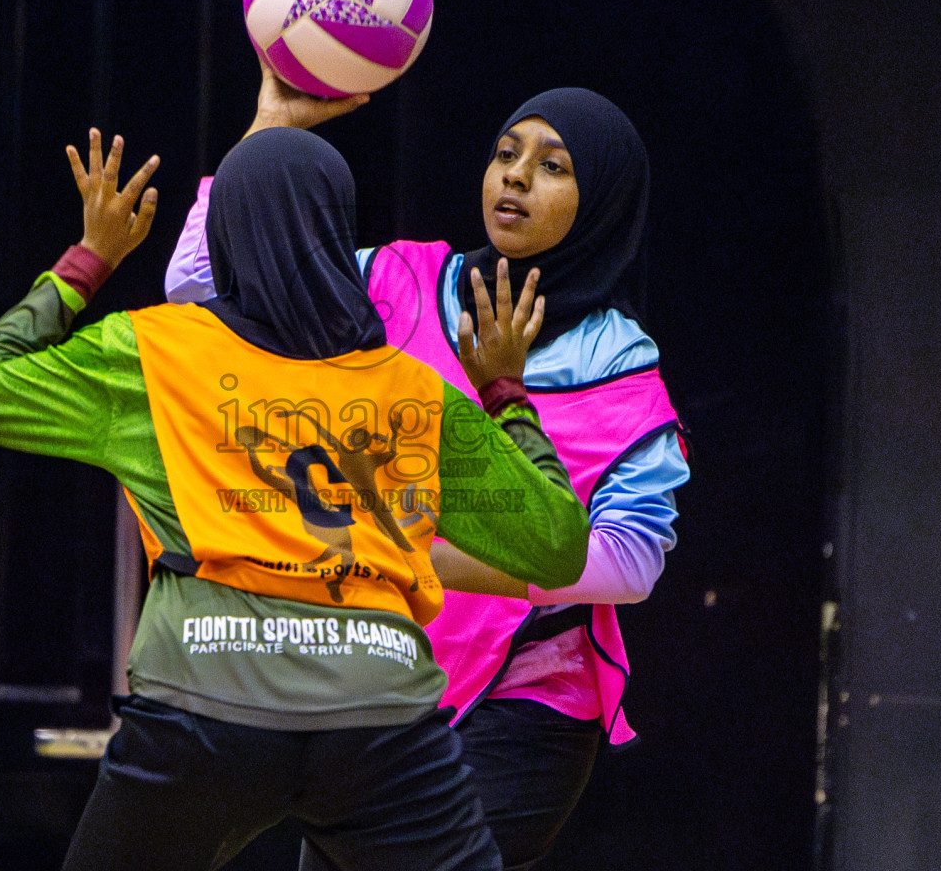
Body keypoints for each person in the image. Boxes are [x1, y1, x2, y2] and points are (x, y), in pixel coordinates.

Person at [0, 124, 596, 871]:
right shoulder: (416, 393)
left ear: (227, 236)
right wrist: (505, 390)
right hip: (380, 719)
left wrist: (89, 259)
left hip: (203, 708)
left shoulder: (153, 353)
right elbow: (557, 544)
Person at [165, 71, 690, 871]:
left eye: (555, 166)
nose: (515, 175)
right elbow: (204, 292)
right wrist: (269, 130)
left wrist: (411, 554)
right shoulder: (397, 286)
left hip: (526, 704)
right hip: (382, 684)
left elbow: (632, 560)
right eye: (506, 154)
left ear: (606, 201)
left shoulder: (616, 366)